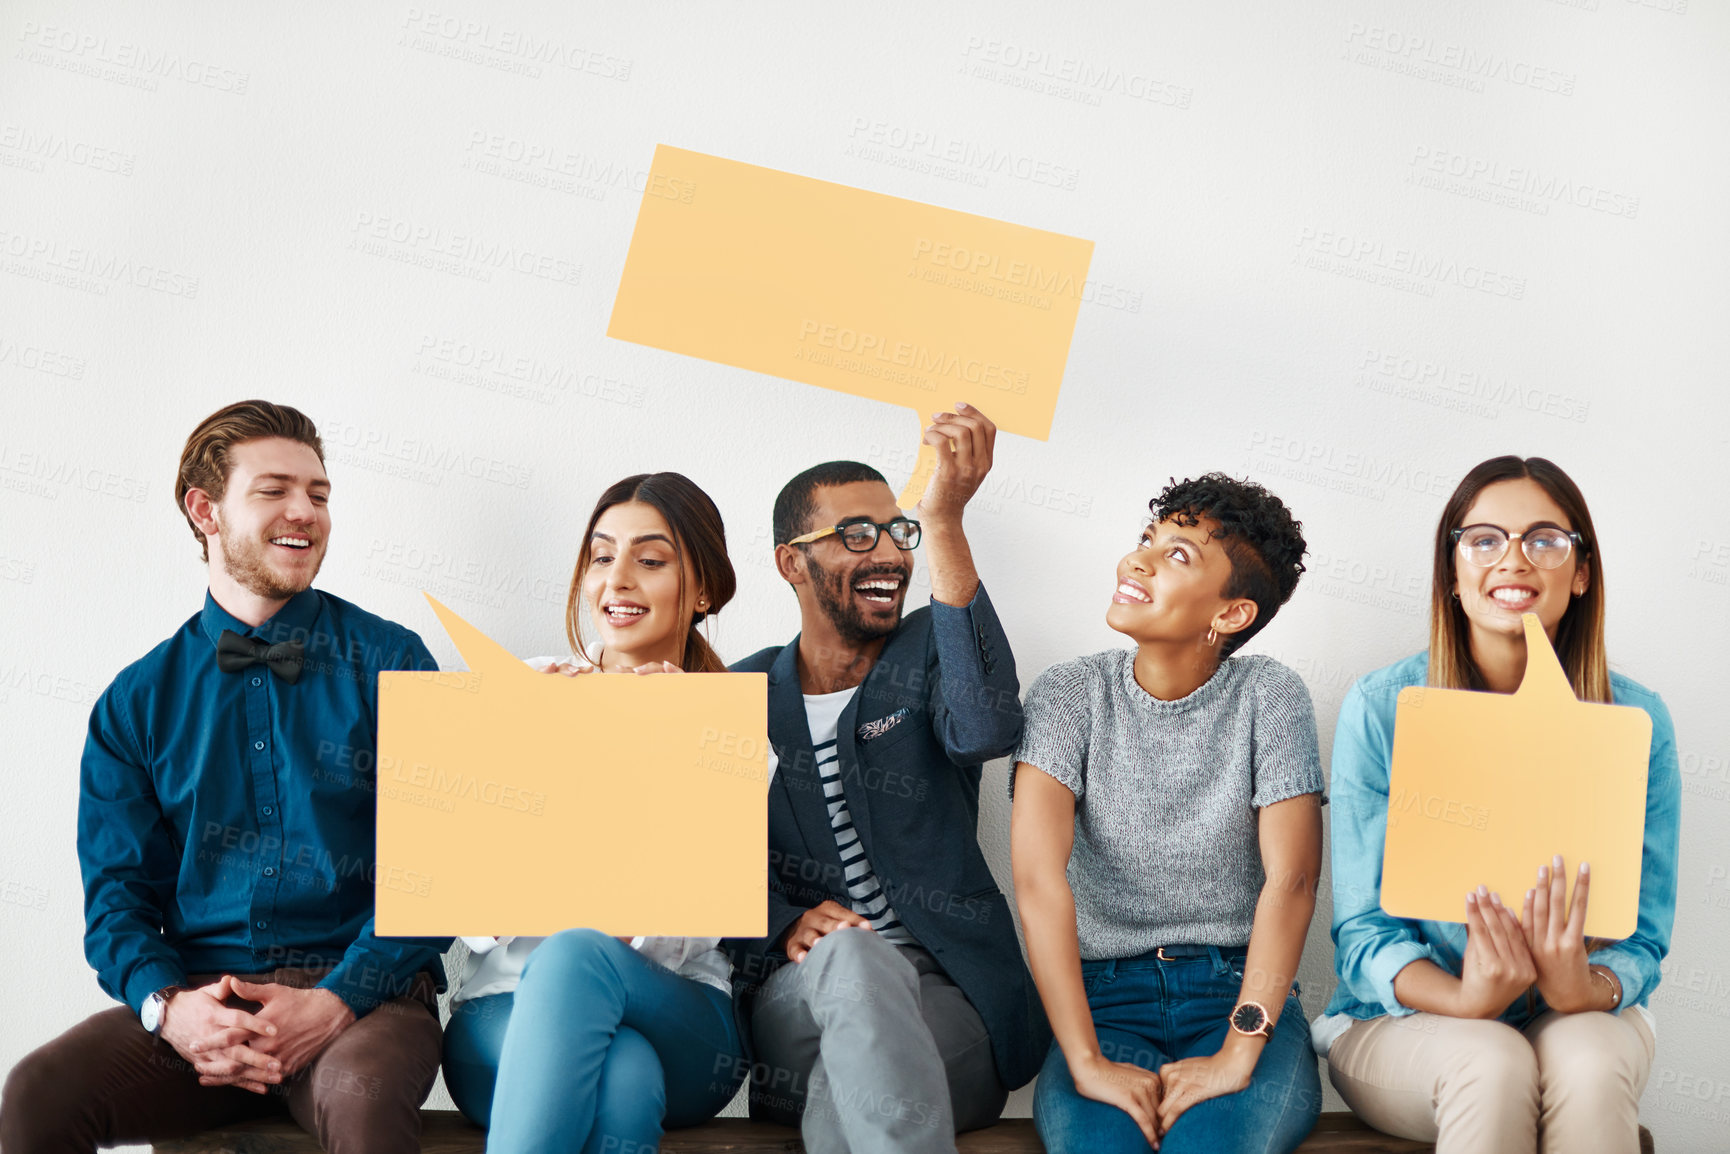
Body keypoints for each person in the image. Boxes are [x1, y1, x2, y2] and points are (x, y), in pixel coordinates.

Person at [0, 401, 451, 1154]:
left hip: (368, 1000)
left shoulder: (395, 662)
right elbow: (117, 900)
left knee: (360, 1105)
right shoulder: (136, 701)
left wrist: (337, 1000)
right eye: (274, 490)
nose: (305, 512)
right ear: (204, 510)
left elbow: (438, 871)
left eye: (319, 494)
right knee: (36, 1095)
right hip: (205, 1002)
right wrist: (169, 1010)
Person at [1317, 455, 1679, 1154]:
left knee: (1592, 1065)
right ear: (1452, 573)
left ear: (1580, 573)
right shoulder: (1382, 708)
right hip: (1404, 1020)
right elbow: (1363, 934)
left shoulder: (1639, 721)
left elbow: (1643, 938)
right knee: (1490, 1061)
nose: (1513, 559)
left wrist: (1582, 986)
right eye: (1483, 540)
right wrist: (1465, 1000)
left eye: (1545, 539)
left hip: (1577, 1007)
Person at [723, 403, 1047, 1154]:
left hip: (946, 996)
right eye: (855, 535)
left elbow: (987, 728)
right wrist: (781, 922)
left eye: (898, 533)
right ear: (790, 562)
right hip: (799, 1000)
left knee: (865, 1085)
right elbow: (688, 866)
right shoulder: (738, 696)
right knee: (853, 970)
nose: (889, 554)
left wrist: (945, 525)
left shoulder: (931, 648)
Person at [1011, 472, 1325, 1153]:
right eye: (1148, 539)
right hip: (1102, 1001)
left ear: (1231, 614)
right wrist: (1087, 1060)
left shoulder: (1270, 697)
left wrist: (1240, 1051)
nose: (1137, 560)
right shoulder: (1069, 694)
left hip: (1235, 995)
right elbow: (1038, 883)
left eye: (1178, 555)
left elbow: (1293, 883)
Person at [440, 472, 748, 1154]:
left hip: (682, 1018)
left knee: (580, 952)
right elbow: (470, 914)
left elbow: (688, 933)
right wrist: (529, 750)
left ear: (702, 590)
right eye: (602, 556)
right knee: (625, 1076)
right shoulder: (517, 691)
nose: (618, 581)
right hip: (503, 1013)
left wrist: (671, 755)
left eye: (651, 559)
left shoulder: (727, 730)